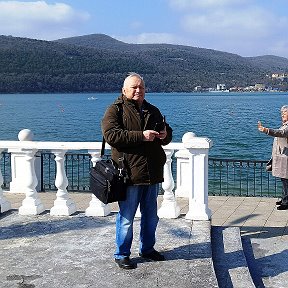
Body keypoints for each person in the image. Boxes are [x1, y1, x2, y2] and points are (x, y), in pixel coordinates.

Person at [101, 72, 173, 269]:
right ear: (124, 90)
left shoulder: (152, 110)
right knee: (126, 217)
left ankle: (147, 249)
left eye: (141, 87)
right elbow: (111, 135)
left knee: (151, 216)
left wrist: (165, 134)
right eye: (134, 87)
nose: (138, 90)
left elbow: (166, 135)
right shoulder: (115, 110)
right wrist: (141, 136)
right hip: (129, 174)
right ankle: (122, 254)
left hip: (152, 173)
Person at [258, 105, 288, 210]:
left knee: (286, 181)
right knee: (284, 180)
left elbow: (280, 133)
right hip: (283, 157)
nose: (282, 115)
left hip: (285, 158)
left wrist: (265, 130)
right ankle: (285, 198)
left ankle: (286, 201)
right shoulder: (284, 125)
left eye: (285, 113)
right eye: (282, 113)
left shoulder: (287, 127)